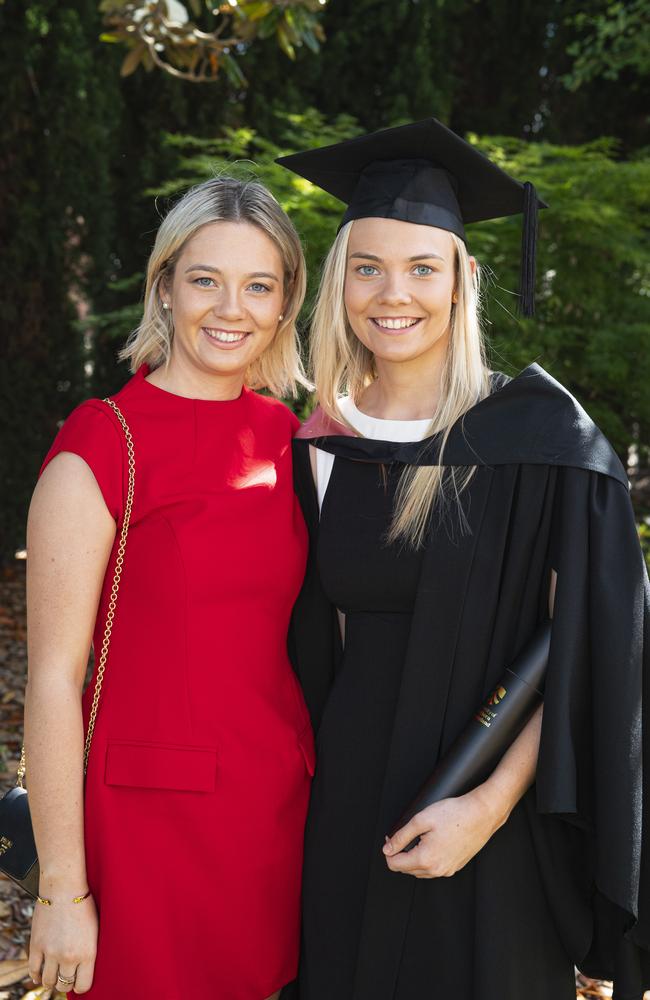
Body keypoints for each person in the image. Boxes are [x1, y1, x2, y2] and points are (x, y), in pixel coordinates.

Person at [278, 120, 650, 1000]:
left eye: (420, 268)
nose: (390, 293)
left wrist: (485, 808)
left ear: (462, 279)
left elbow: (586, 640)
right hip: (347, 807)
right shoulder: (315, 444)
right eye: (366, 267)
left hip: (492, 814)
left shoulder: (541, 440)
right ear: (339, 282)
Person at [24, 176, 315, 999]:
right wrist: (62, 890)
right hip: (147, 830)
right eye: (205, 280)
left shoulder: (293, 439)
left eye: (259, 285)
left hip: (272, 818)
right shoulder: (102, 441)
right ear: (164, 287)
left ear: (286, 299)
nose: (232, 308)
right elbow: (53, 678)